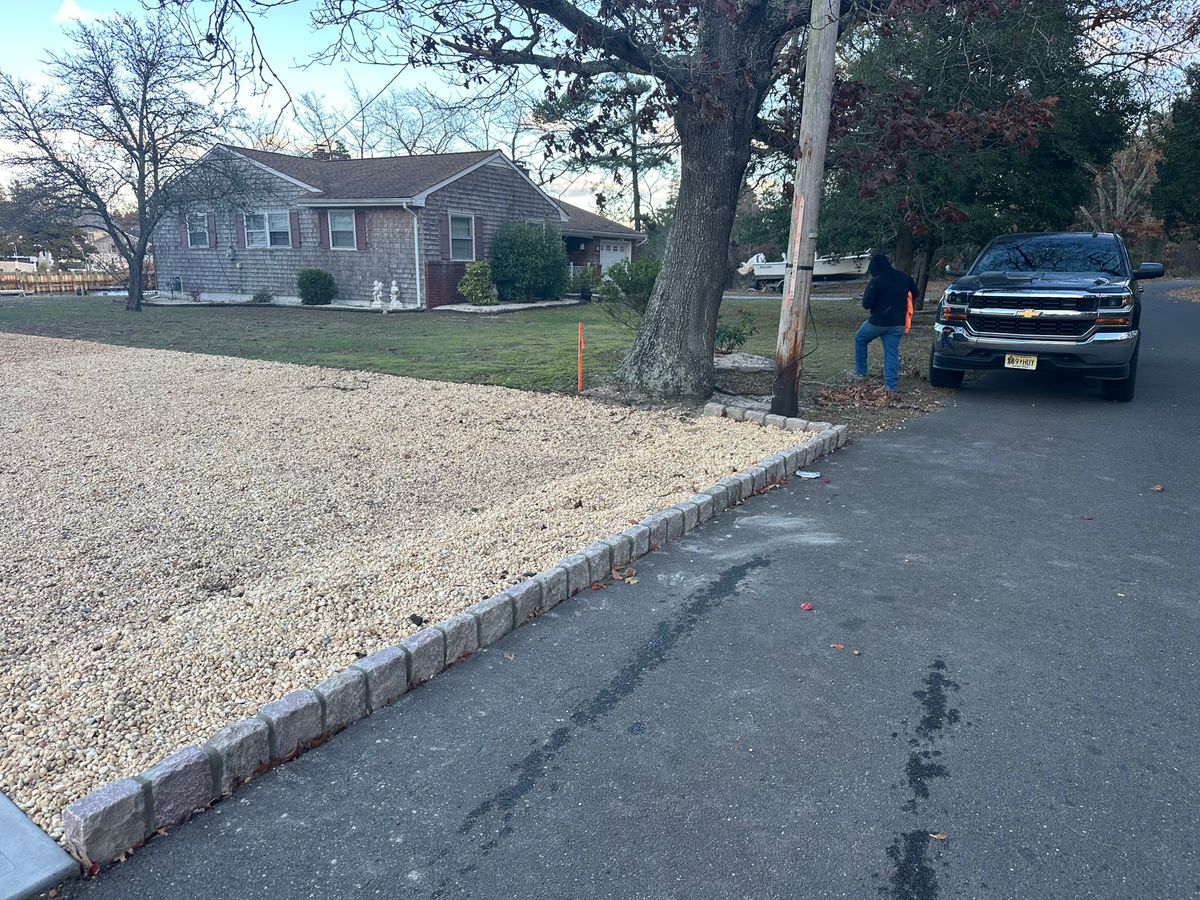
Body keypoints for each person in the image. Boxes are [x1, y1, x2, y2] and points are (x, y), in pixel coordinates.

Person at [854, 253, 918, 392]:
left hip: (878, 322)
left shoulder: (876, 281)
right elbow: (916, 293)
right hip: (897, 323)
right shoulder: (904, 277)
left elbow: (866, 304)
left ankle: (860, 374)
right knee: (891, 353)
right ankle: (890, 387)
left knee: (860, 338)